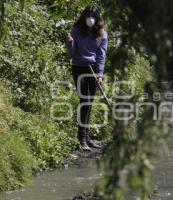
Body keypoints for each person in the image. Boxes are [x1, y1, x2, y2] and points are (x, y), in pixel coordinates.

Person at [65, 5, 108, 151]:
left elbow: (101, 56)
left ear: (97, 18)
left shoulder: (102, 34)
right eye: (87, 15)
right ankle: (81, 138)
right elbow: (71, 55)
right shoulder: (76, 30)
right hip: (79, 67)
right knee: (85, 101)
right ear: (84, 16)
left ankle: (86, 137)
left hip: (94, 69)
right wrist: (70, 42)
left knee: (89, 103)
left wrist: (100, 75)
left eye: (92, 16)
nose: (89, 19)